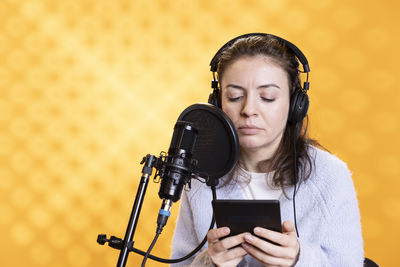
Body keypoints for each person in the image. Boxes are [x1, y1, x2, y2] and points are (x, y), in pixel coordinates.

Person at [170, 33, 364, 266]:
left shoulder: (330, 176)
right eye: (235, 96)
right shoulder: (200, 178)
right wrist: (208, 262)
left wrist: (299, 260)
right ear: (217, 102)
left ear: (294, 105)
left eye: (267, 97)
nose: (249, 109)